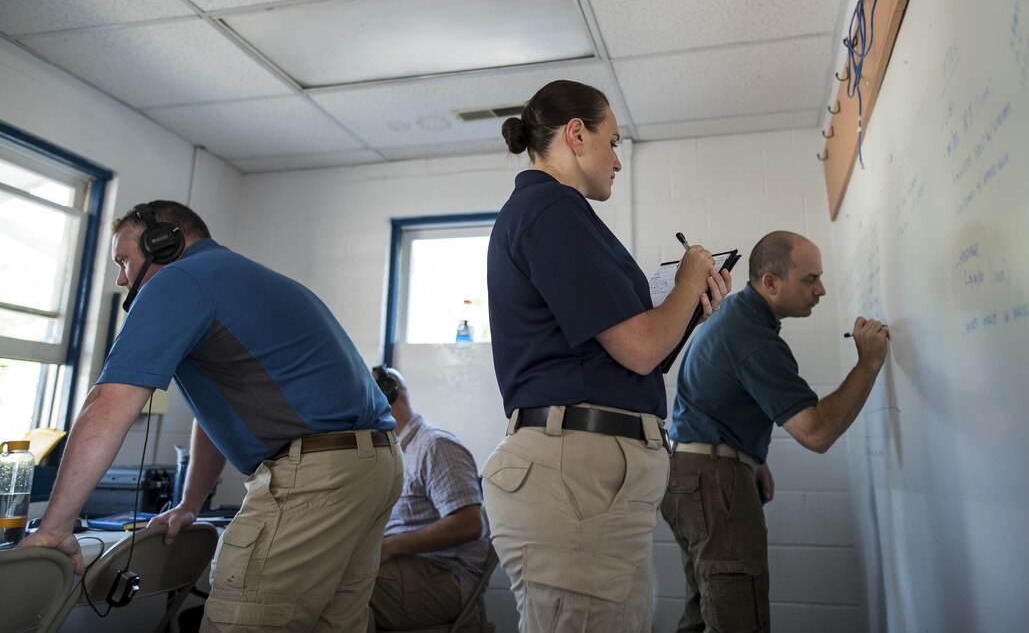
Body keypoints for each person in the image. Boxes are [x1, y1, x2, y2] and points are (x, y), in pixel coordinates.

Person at [18, 200, 403, 633]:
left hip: (318, 477)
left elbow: (109, 402)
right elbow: (216, 411)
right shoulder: (243, 277)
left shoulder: (179, 280)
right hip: (372, 467)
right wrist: (191, 502)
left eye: (125, 260)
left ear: (163, 243)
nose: (122, 279)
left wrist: (53, 528)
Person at [483, 79, 732, 632]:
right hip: (575, 475)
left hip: (585, 471)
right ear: (576, 135)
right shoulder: (550, 209)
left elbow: (630, 356)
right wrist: (690, 275)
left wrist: (686, 308)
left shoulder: (558, 215)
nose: (618, 161)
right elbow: (640, 349)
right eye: (613, 142)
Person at [662, 230, 890, 633]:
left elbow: (714, 399)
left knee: (704, 614)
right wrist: (868, 364)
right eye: (809, 279)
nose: (821, 290)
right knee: (736, 620)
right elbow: (816, 433)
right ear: (771, 282)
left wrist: (752, 456)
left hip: (694, 474)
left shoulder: (736, 316)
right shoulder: (753, 337)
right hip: (714, 482)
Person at [366, 365, 491, 632]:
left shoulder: (435, 445)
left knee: (342, 589)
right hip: (413, 570)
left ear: (383, 396)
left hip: (445, 575)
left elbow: (469, 524)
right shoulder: (397, 452)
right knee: (328, 577)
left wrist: (389, 547)